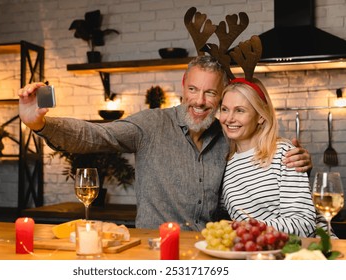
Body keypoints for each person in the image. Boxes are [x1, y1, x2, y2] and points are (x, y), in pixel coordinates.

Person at [18, 55, 312, 231]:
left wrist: (298, 159)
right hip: (153, 251)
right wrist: (39, 123)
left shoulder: (228, 135)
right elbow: (96, 135)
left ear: (222, 95)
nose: (199, 101)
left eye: (210, 93)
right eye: (193, 89)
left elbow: (261, 150)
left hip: (207, 254)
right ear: (183, 86)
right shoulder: (150, 125)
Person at [219, 77, 324, 237]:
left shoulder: (284, 153)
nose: (229, 118)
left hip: (307, 252)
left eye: (240, 110)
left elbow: (304, 223)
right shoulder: (224, 164)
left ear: (261, 116)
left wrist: (247, 228)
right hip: (259, 255)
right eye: (225, 109)